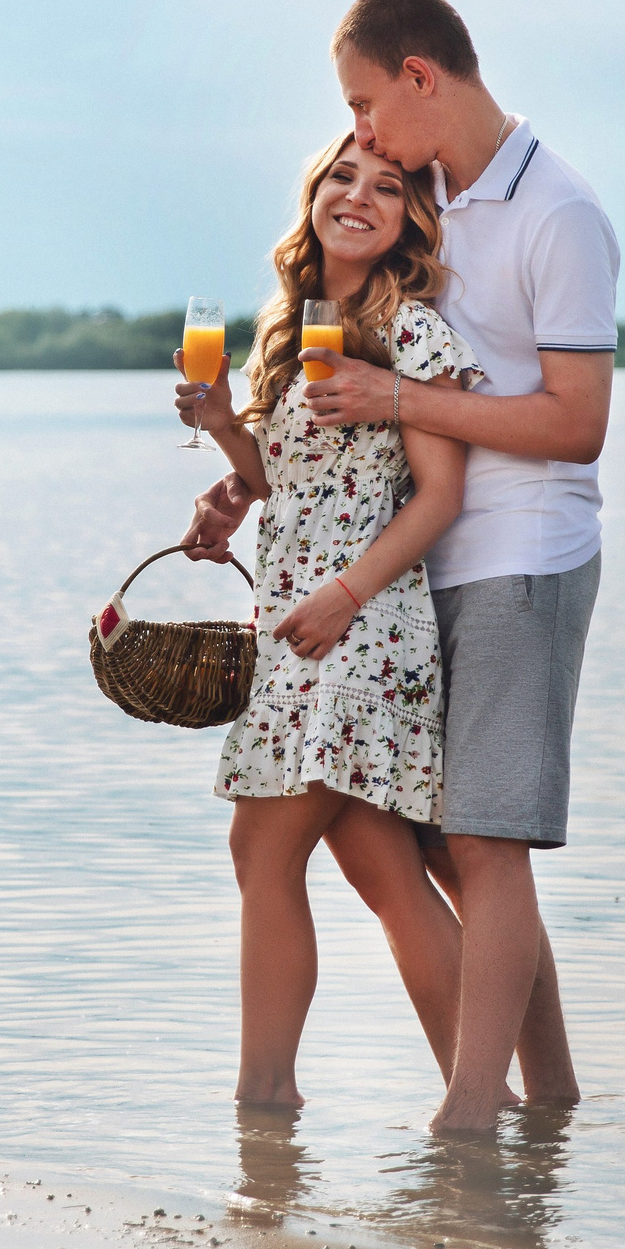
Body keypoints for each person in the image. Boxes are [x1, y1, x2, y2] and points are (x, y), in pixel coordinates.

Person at [184, 0, 619, 1133]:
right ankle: (547, 1103)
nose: (363, 140)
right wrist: (234, 461)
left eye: (367, 110)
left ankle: (460, 1123)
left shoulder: (553, 216)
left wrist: (389, 408)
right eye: (345, 143)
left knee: (474, 842)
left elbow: (573, 423)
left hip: (498, 564)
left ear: (419, 78)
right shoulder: (447, 201)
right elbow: (332, 466)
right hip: (412, 583)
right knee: (412, 852)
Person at [172, 131, 486, 1108]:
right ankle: (489, 1113)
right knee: (381, 869)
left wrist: (345, 595)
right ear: (313, 195)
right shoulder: (291, 327)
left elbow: (438, 497)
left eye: (386, 187)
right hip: (294, 622)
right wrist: (227, 434)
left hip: (360, 626)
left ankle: (264, 1099)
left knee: (261, 848)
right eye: (341, 177)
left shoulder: (415, 334)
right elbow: (291, 486)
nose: (358, 196)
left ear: (408, 221)